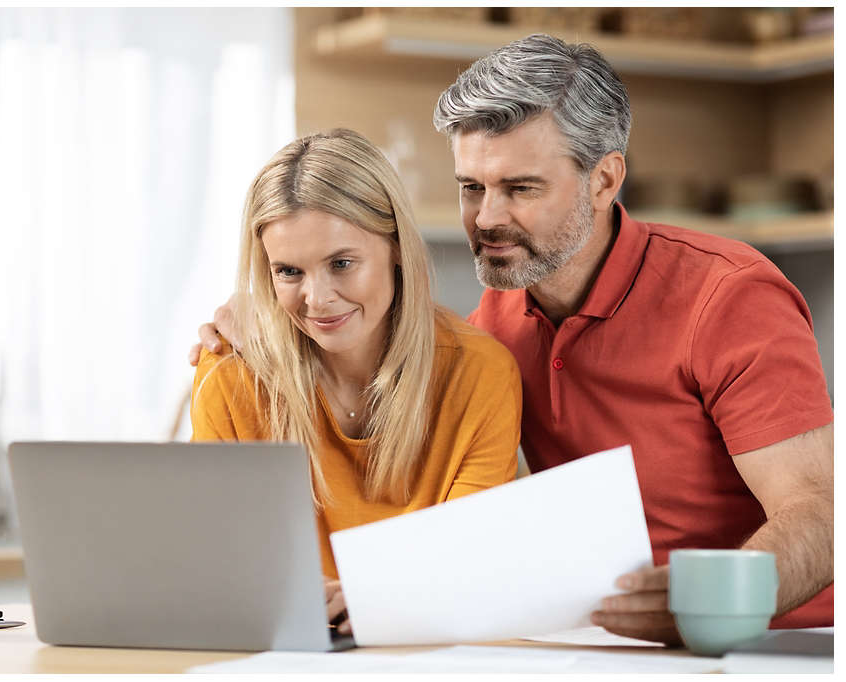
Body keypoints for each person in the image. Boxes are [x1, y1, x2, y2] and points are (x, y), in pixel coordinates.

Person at [192, 35, 833, 645]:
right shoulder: (495, 327)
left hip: (779, 639)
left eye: (521, 188)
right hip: (607, 641)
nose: (488, 218)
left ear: (605, 181)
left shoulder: (726, 298)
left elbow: (823, 512)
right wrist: (262, 318)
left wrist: (706, 605)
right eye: (472, 188)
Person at [189, 128, 522, 635]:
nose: (317, 300)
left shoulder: (479, 375)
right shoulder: (230, 377)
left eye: (341, 264)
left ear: (395, 248)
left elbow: (468, 569)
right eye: (288, 271)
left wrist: (375, 599)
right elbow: (213, 568)